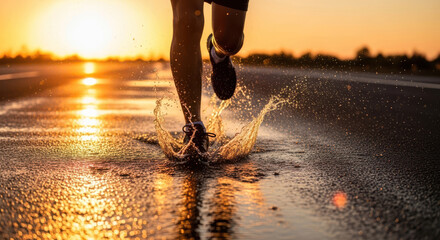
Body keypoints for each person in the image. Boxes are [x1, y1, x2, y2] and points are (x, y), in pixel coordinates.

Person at [170, 0, 249, 158]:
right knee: (187, 21)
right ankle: (194, 128)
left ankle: (218, 53)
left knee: (229, 41)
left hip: (226, 43)